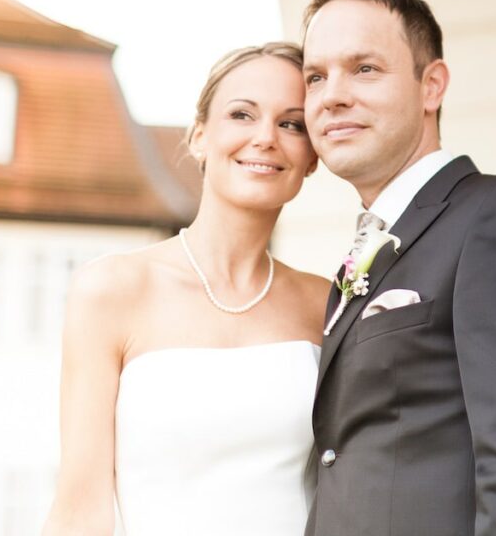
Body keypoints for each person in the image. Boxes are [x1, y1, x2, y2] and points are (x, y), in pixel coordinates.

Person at [301, 0, 496, 536]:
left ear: (431, 85)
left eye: (364, 68)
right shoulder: (368, 248)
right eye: (316, 76)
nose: (332, 95)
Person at [42, 43, 330, 536]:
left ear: (312, 158)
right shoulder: (112, 290)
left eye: (292, 124)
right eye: (242, 114)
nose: (265, 138)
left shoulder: (325, 304)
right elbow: (80, 509)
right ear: (199, 136)